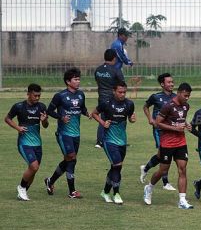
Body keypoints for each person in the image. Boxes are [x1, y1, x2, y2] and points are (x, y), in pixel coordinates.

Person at [143, 83, 194, 209]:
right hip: (167, 143)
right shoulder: (168, 106)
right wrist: (175, 128)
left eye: (189, 96)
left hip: (181, 142)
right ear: (179, 92)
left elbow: (180, 119)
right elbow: (158, 123)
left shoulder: (186, 106)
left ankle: (182, 200)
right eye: (185, 95)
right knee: (163, 170)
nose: (187, 98)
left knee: (182, 169)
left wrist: (187, 124)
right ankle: (149, 187)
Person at [44, 68, 89, 199]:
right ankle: (72, 191)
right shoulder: (60, 96)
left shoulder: (81, 94)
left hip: (76, 134)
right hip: (64, 134)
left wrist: (87, 113)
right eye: (75, 79)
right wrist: (60, 117)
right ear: (68, 81)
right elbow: (49, 110)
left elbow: (82, 108)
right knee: (72, 158)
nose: (78, 81)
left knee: (69, 160)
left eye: (79, 79)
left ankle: (50, 181)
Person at [92, 81, 136, 204]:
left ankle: (105, 192)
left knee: (115, 167)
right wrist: (102, 122)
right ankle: (116, 193)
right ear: (114, 91)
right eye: (120, 92)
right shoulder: (106, 104)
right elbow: (94, 113)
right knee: (117, 165)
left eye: (124, 92)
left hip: (122, 141)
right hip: (109, 140)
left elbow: (130, 118)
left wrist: (132, 119)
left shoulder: (129, 104)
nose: (122, 94)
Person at [5, 83, 49, 201]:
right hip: (24, 143)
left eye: (39, 95)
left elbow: (45, 126)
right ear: (28, 94)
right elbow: (7, 118)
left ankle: (23, 191)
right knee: (33, 167)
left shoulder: (42, 107)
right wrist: (17, 128)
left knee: (34, 170)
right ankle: (21, 187)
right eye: (35, 95)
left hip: (37, 144)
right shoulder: (19, 106)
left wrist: (44, 121)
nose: (37, 98)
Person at [139, 73, 176, 191]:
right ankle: (165, 182)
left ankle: (145, 168)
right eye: (169, 82)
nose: (171, 84)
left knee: (161, 155)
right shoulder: (156, 97)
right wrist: (150, 119)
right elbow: (145, 107)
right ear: (162, 84)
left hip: (170, 131)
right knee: (166, 154)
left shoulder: (175, 97)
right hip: (159, 130)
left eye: (172, 82)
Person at [94, 49, 124, 149]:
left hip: (101, 96)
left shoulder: (98, 70)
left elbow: (98, 82)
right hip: (112, 98)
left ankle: (100, 141)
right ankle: (111, 140)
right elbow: (122, 84)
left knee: (104, 118)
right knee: (116, 118)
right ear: (114, 58)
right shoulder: (116, 70)